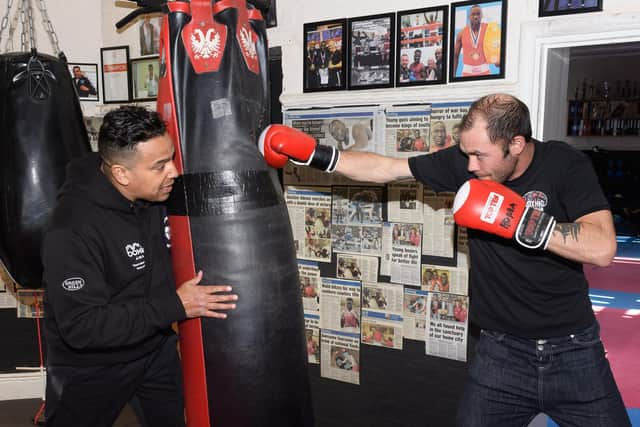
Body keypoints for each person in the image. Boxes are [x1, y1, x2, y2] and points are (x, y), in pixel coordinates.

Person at [260, 93, 631, 426]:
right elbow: (388, 169)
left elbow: (602, 248)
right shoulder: (466, 164)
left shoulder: (564, 164)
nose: (470, 166)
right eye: (467, 153)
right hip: (500, 354)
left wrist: (518, 219)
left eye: (480, 155)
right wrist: (316, 154)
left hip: (573, 351)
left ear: (516, 143)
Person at [42, 106, 239, 427]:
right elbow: (82, 327)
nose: (173, 172)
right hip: (91, 366)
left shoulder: (157, 194)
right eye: (160, 166)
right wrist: (175, 305)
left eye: (171, 158)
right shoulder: (72, 229)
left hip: (155, 350)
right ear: (121, 173)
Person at [453, 5, 495, 77]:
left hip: (485, 72)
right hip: (467, 73)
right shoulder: (461, 34)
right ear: (469, 16)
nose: (476, 17)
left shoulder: (489, 29)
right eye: (473, 14)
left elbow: (496, 48)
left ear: (482, 15)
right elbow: (455, 55)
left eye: (478, 14)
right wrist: (452, 75)